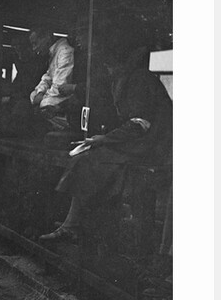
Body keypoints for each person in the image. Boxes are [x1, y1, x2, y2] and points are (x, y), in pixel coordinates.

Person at [38, 44, 172, 242]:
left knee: (90, 160)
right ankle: (74, 223)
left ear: (119, 64)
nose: (108, 71)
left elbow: (140, 124)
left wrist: (105, 139)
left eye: (109, 66)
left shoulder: (138, 80)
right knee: (87, 157)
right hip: (141, 142)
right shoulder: (123, 80)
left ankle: (74, 225)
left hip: (156, 146)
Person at [28, 27, 77, 131]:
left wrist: (41, 98)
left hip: (64, 97)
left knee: (46, 104)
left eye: (35, 43)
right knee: (33, 95)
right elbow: (47, 77)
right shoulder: (53, 52)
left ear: (47, 37)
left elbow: (60, 86)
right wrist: (40, 92)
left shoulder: (64, 51)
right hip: (52, 94)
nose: (34, 48)